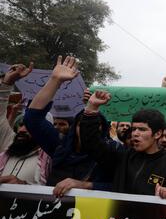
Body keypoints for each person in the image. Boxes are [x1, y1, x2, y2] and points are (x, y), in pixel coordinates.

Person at [24, 56, 116, 193]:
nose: (89, 130)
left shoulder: (112, 155)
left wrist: (84, 185)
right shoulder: (60, 146)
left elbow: (120, 188)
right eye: (83, 125)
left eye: (95, 127)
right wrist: (55, 80)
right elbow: (32, 119)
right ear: (75, 127)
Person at [79, 90, 166, 199]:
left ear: (158, 133)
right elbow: (91, 144)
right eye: (134, 129)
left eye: (142, 129)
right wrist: (91, 108)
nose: (135, 133)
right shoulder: (122, 158)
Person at [0, 62, 51, 185]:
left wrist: (22, 185)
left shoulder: (52, 156)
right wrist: (7, 83)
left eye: (30, 127)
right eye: (22, 124)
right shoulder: (9, 143)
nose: (22, 130)